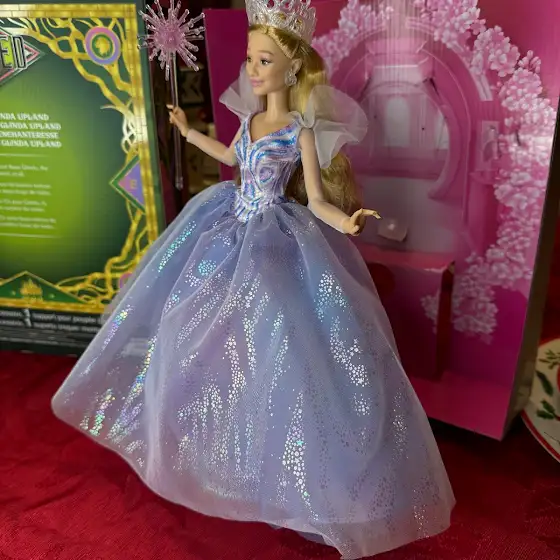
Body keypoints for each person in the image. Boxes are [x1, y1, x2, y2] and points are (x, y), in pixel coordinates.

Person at [52, 0, 455, 557]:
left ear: (292, 69)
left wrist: (346, 220)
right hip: (226, 227)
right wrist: (187, 131)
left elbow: (316, 198)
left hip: (273, 240)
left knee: (279, 341)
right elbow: (229, 154)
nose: (253, 69)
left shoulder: (299, 132)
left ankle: (285, 463)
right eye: (250, 59)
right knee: (199, 330)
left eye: (264, 60)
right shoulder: (249, 122)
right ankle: (210, 444)